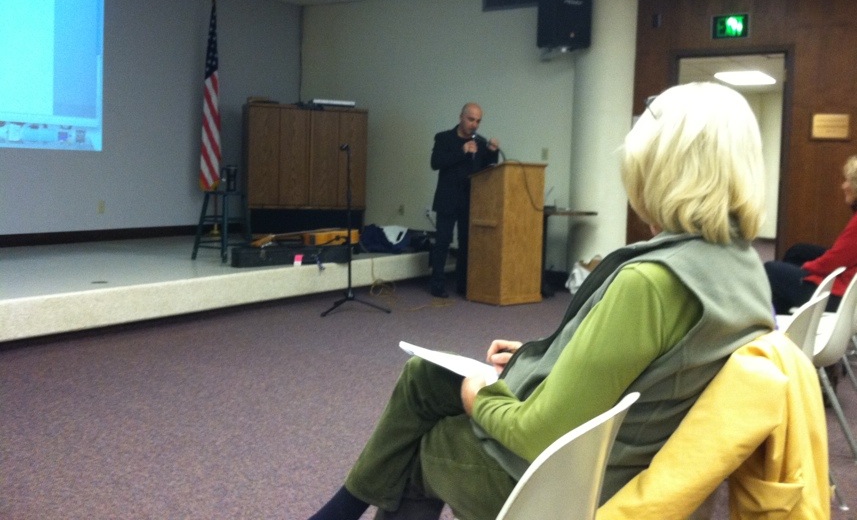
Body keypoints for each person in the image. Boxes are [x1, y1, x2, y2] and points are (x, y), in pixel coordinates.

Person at [307, 82, 775, 520]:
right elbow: (654, 361)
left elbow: (538, 434)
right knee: (425, 375)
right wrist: (552, 355)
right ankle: (341, 510)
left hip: (576, 485)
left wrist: (479, 397)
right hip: (627, 452)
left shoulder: (652, 283)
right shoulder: (742, 267)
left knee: (427, 444)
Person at [765, 154, 857, 315]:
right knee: (798, 252)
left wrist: (807, 268)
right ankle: (783, 313)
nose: (843, 186)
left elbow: (835, 261)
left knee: (771, 270)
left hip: (839, 296)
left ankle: (779, 317)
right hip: (846, 285)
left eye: (848, 181)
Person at [428, 102, 500, 298]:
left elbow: (488, 169)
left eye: (478, 121)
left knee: (467, 243)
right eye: (471, 119)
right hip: (447, 198)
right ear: (461, 117)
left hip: (470, 200)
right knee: (443, 241)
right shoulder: (444, 138)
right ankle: (437, 284)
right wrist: (462, 151)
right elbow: (436, 163)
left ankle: (464, 285)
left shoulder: (481, 142)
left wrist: (492, 151)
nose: (474, 124)